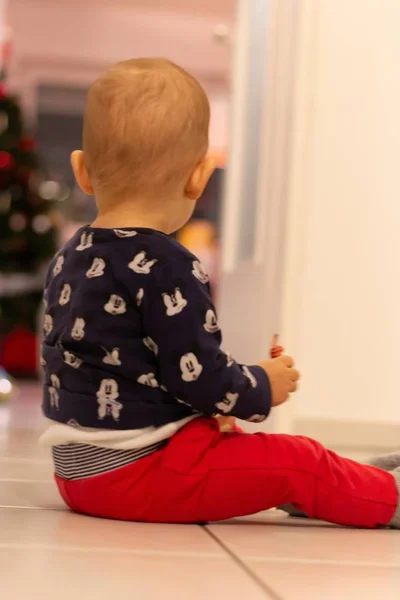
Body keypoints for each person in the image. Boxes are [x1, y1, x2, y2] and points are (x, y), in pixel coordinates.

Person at [40, 58, 400, 528]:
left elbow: (124, 366)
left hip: (78, 473)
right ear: (199, 177)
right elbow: (198, 377)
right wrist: (261, 384)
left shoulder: (73, 254)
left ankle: (347, 483)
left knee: (255, 454)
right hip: (137, 475)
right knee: (297, 459)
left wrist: (206, 414)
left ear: (82, 171)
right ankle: (383, 497)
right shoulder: (167, 263)